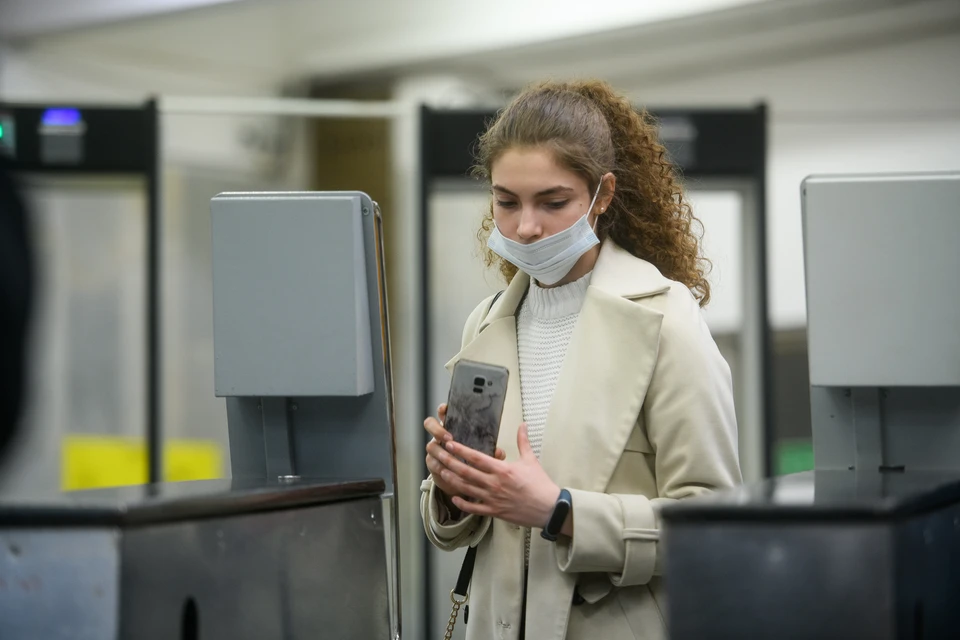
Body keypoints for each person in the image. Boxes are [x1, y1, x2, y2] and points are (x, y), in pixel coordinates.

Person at [419, 79, 742, 640]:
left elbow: (712, 525)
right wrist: (451, 488)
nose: (525, 226)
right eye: (506, 201)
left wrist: (560, 510)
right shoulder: (488, 320)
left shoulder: (665, 319)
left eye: (553, 201)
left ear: (604, 194)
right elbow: (460, 527)